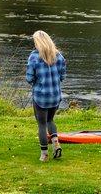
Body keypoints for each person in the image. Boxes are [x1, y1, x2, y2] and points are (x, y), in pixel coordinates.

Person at [26, 30, 66, 162]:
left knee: (42, 124)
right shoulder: (58, 56)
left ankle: (44, 155)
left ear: (37, 42)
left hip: (41, 96)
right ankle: (55, 143)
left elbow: (29, 78)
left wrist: (36, 81)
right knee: (50, 120)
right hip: (55, 95)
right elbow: (63, 76)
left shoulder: (34, 57)